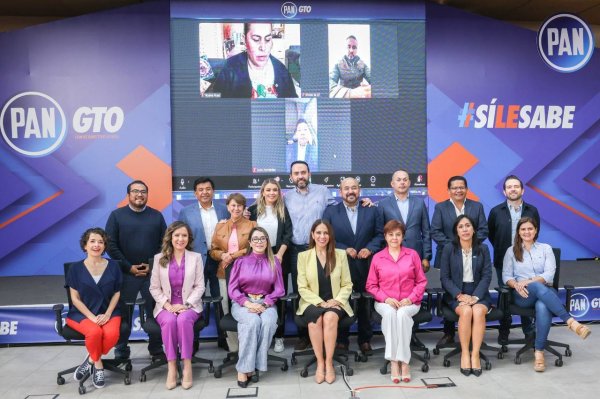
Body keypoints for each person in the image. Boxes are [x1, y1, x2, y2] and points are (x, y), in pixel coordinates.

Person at [503, 217, 591, 372]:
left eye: (530, 228)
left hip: (545, 290)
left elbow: (549, 275)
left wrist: (528, 281)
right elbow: (506, 276)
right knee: (536, 288)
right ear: (518, 231)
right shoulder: (511, 251)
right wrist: (517, 284)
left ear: (536, 230)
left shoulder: (546, 249)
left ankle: (539, 352)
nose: (527, 232)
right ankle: (571, 322)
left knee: (542, 304)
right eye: (523, 229)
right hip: (522, 295)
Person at [105, 180, 166, 361]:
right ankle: (122, 350)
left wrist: (151, 264)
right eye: (135, 191)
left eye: (143, 191)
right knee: (124, 314)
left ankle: (155, 348)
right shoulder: (116, 216)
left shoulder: (156, 216)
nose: (140, 194)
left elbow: (164, 243)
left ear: (147, 194)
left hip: (151, 274)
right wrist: (128, 267)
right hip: (125, 274)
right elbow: (111, 245)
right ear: (128, 195)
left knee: (155, 311)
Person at [323, 177, 383, 353]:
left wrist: (370, 249)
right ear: (340, 192)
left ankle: (365, 339)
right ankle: (342, 339)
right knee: (343, 301)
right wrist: (343, 249)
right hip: (341, 266)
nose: (350, 191)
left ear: (360, 190)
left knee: (365, 302)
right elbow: (325, 237)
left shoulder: (372, 211)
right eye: (346, 188)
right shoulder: (331, 212)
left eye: (354, 188)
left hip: (366, 265)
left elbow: (380, 235)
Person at [284, 160, 337, 350]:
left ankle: (329, 333)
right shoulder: (287, 197)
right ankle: (304, 336)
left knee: (325, 289)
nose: (300, 176)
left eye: (303, 172)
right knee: (302, 292)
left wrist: (365, 202)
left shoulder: (322, 191)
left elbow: (337, 211)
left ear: (309, 173)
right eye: (296, 173)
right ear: (291, 177)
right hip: (297, 250)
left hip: (320, 249)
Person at [365, 220, 427, 383]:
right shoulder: (378, 257)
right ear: (385, 236)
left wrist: (410, 298)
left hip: (410, 302)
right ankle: (394, 361)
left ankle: (404, 362)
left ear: (403, 236)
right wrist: (386, 298)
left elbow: (421, 282)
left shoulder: (412, 254)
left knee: (402, 315)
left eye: (398, 234)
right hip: (385, 301)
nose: (394, 238)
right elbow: (371, 285)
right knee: (391, 315)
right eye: (391, 234)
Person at [431, 176, 488, 347]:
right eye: (454, 188)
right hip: (448, 256)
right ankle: (449, 334)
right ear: (448, 190)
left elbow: (483, 230)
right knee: (452, 291)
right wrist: (454, 247)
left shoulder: (476, 207)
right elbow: (435, 231)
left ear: (466, 189)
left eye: (461, 187)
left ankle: (473, 336)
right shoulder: (441, 207)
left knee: (472, 291)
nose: (458, 190)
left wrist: (469, 243)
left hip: (472, 252)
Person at [149, 221, 205, 390]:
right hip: (166, 306)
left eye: (184, 236)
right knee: (170, 321)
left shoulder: (196, 258)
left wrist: (186, 305)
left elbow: (200, 286)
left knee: (182, 320)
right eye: (177, 235)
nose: (180, 239)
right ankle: (172, 366)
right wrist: (167, 305)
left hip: (190, 305)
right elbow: (154, 287)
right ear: (170, 237)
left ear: (189, 238)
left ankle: (186, 365)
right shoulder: (159, 258)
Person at [297, 220, 353, 384]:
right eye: (319, 233)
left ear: (330, 236)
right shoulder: (303, 256)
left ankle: (329, 363)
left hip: (336, 302)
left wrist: (336, 300)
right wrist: (321, 303)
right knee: (315, 320)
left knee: (329, 318)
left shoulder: (340, 254)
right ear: (313, 235)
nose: (322, 236)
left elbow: (347, 284)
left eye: (326, 233)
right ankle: (320, 363)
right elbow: (302, 287)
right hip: (312, 302)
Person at [228, 227, 285, 388]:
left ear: (267, 242)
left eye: (262, 238)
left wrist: (266, 303)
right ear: (250, 243)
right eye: (256, 239)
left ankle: (254, 365)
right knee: (252, 322)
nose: (259, 242)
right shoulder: (240, 262)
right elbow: (232, 289)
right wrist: (247, 303)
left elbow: (279, 289)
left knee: (267, 322)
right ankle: (244, 368)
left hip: (266, 302)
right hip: (243, 302)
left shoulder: (274, 262)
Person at [66, 228, 122, 389]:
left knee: (111, 335)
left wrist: (108, 313)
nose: (96, 245)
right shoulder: (75, 269)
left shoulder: (113, 266)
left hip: (109, 311)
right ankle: (98, 366)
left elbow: (117, 293)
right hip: (81, 314)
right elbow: (75, 299)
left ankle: (89, 359)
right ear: (85, 245)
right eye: (92, 241)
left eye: (100, 242)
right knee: (95, 332)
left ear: (105, 246)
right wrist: (91, 317)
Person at [488, 175, 540, 344]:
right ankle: (504, 330)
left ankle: (529, 332)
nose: (513, 189)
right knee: (505, 296)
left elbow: (534, 234)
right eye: (509, 187)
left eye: (516, 186)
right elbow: (492, 235)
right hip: (503, 261)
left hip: (527, 263)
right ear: (504, 191)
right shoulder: (496, 211)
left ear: (522, 190)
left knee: (525, 294)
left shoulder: (532, 211)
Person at [440, 215, 492, 377]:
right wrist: (459, 295)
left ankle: (475, 354)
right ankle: (464, 354)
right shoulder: (449, 248)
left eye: (468, 226)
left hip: (479, 293)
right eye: (461, 226)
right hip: (455, 293)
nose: (465, 229)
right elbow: (445, 278)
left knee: (477, 311)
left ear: (474, 229)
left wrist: (475, 297)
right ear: (456, 230)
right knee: (466, 311)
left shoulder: (483, 249)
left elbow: (487, 276)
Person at [248, 179, 293, 353]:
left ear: (279, 192)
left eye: (275, 190)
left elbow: (288, 234)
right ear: (262, 192)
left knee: (278, 296)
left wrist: (279, 255)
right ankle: (261, 336)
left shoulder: (282, 210)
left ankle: (279, 337)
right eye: (268, 190)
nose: (272, 193)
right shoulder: (252, 211)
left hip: (279, 255)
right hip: (257, 256)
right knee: (259, 294)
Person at [209, 193, 257, 351]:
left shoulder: (252, 225)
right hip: (224, 273)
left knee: (246, 308)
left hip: (247, 275)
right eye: (233, 205)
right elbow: (213, 250)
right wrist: (222, 255)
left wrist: (232, 255)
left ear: (244, 208)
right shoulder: (220, 226)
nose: (236, 208)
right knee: (227, 308)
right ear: (228, 207)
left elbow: (253, 248)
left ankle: (248, 346)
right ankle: (234, 348)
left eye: (239, 205)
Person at [210, 23, 298, 98]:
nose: (263, 47)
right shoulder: (229, 69)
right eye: (256, 39)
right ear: (244, 40)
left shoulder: (282, 71)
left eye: (268, 39)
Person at [179, 177, 230, 298]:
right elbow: (180, 237)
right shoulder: (186, 212)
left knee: (220, 295)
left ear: (213, 191)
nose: (204, 192)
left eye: (208, 189)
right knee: (196, 296)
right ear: (195, 193)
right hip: (196, 258)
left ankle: (221, 317)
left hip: (220, 258)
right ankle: (197, 317)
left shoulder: (224, 210)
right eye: (200, 190)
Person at [377, 169, 432, 272]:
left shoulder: (419, 203)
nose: (402, 182)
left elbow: (426, 232)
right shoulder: (383, 204)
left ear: (409, 183)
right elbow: (380, 233)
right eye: (398, 180)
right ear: (392, 183)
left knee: (415, 286)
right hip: (391, 255)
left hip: (416, 254)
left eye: (405, 180)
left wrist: (426, 256)